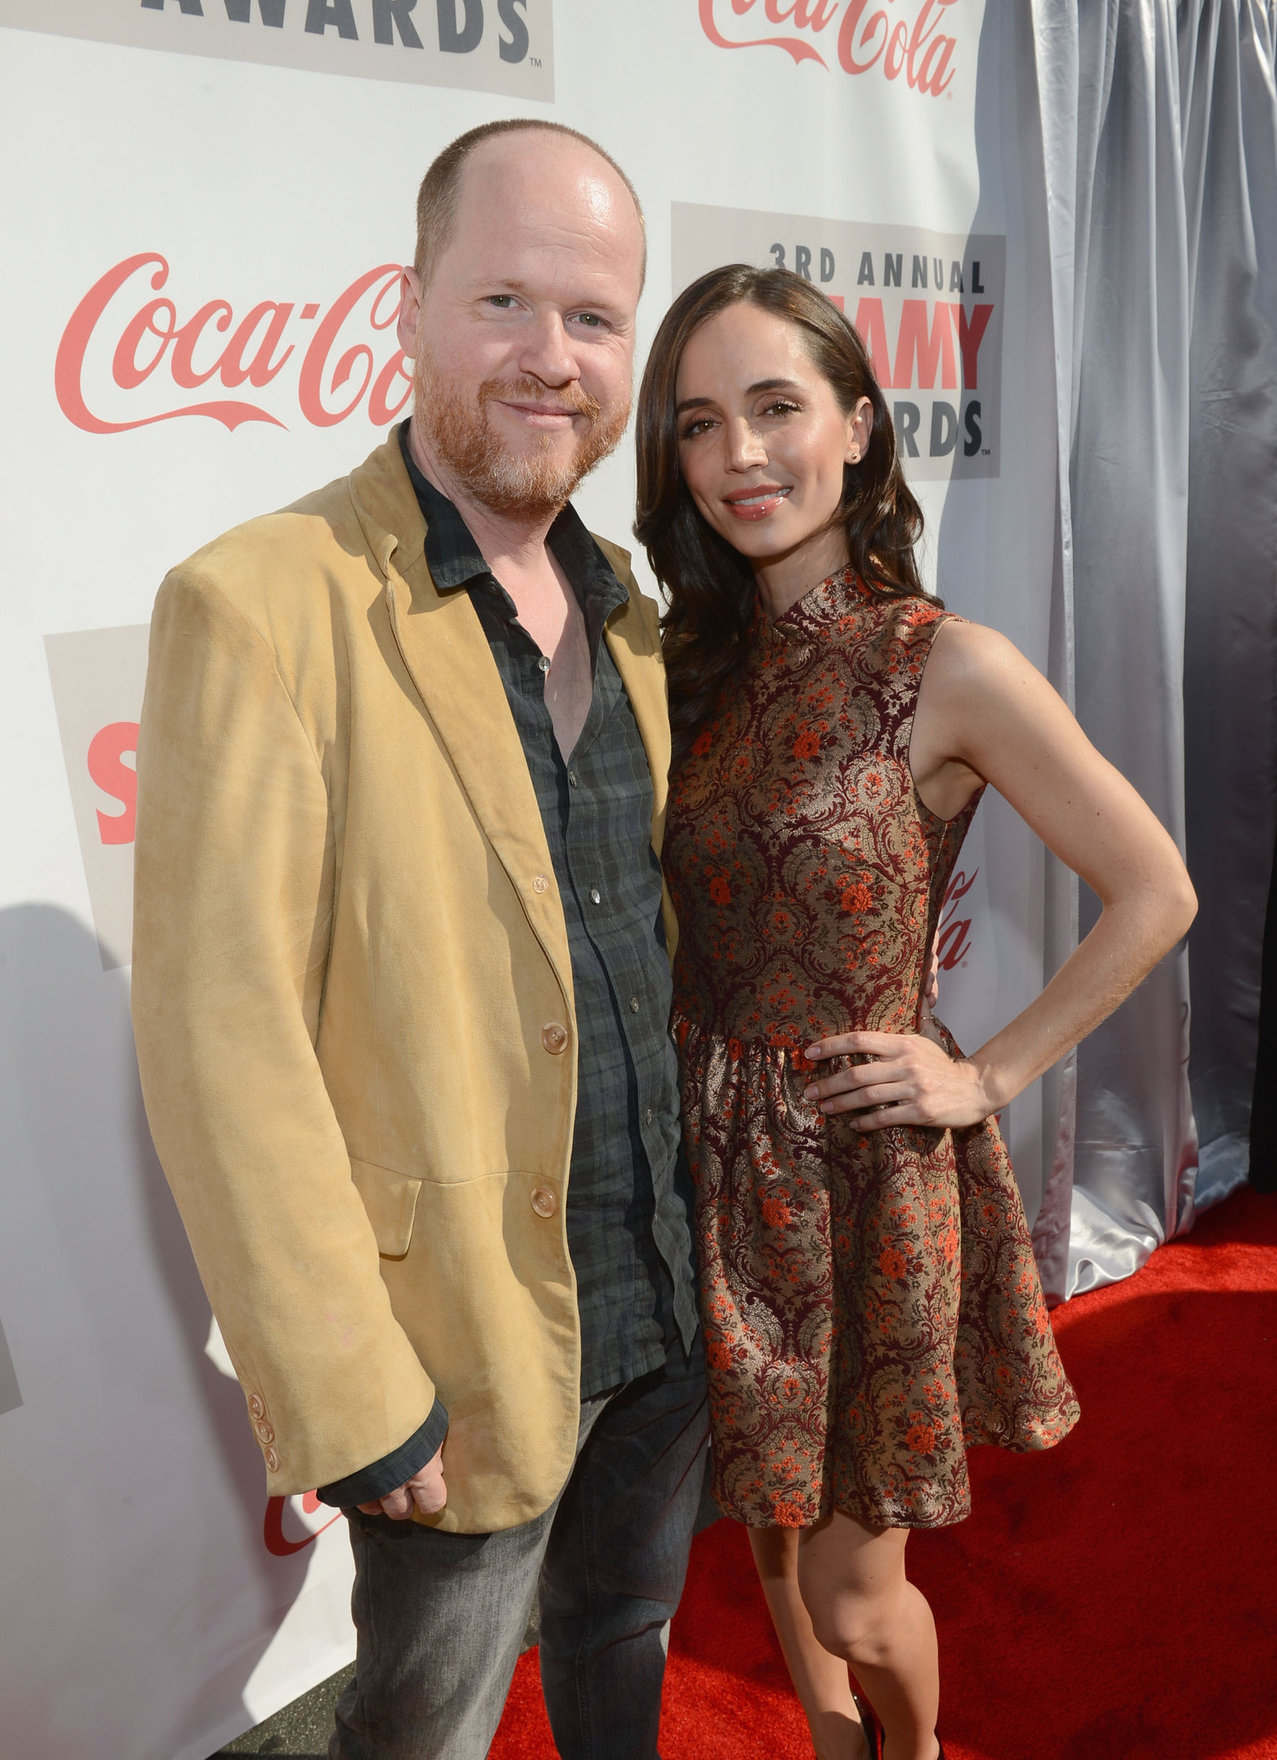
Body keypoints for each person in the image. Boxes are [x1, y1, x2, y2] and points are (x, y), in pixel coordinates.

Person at [133, 119, 718, 1760]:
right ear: (406, 305)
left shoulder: (637, 616)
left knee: (621, 1640)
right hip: (450, 1352)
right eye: (503, 303)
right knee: (426, 1729)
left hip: (664, 1305)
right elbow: (217, 1037)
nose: (551, 359)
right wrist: (347, 1389)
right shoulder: (257, 603)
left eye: (595, 319)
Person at [633, 264, 1198, 1760]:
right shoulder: (691, 665)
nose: (740, 455)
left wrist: (988, 1074)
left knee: (855, 1588)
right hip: (716, 1161)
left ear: (861, 429)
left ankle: (913, 1750)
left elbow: (1155, 889)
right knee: (768, 1526)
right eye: (700, 424)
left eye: (775, 409)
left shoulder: (944, 663)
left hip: (858, 1166)